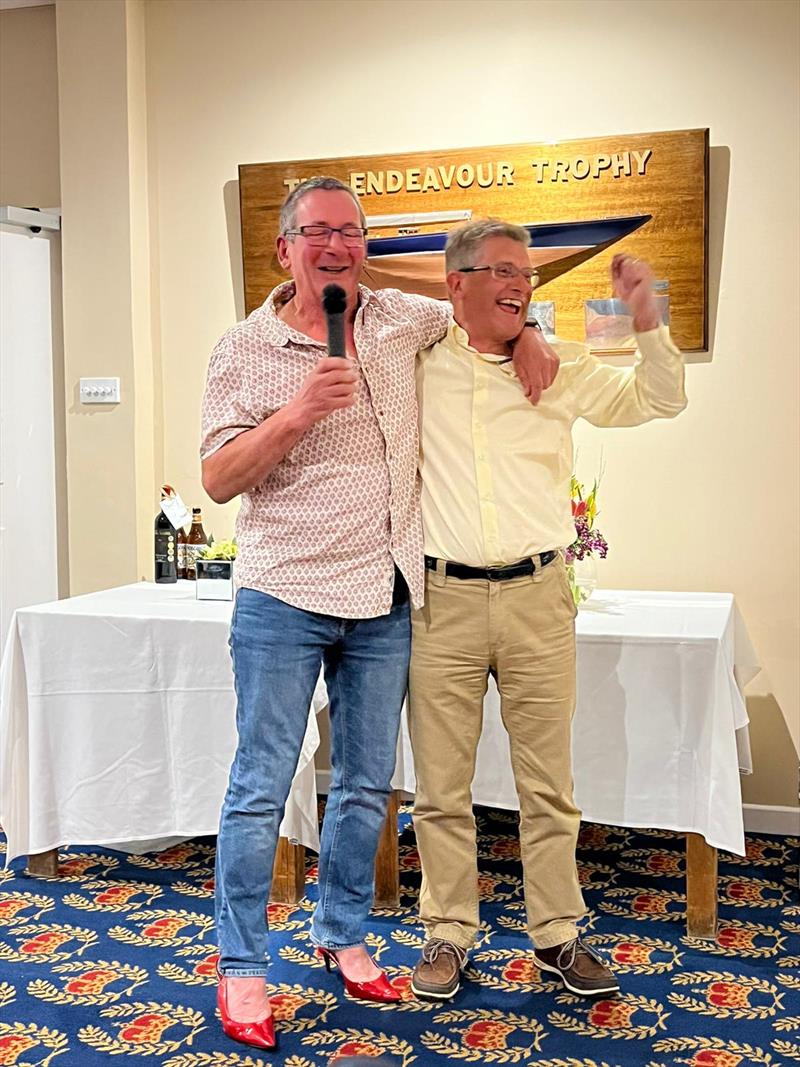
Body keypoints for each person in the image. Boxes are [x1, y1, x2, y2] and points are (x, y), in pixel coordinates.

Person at [200, 180, 557, 1049]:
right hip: (284, 594)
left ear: (365, 246)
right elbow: (215, 479)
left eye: (351, 233)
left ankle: (343, 935)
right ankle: (243, 965)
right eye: (317, 232)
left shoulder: (406, 319)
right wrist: (295, 412)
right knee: (261, 789)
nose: (336, 246)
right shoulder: (244, 348)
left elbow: (488, 302)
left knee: (367, 787)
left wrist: (536, 329)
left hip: (385, 597)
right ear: (285, 249)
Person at [408, 218, 687, 1002]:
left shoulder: (555, 366)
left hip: (537, 596)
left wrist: (647, 318)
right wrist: (517, 326)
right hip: (442, 599)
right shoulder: (418, 363)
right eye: (498, 270)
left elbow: (660, 399)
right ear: (455, 283)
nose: (518, 282)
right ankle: (448, 933)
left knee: (549, 784)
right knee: (440, 786)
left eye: (524, 274)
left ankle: (558, 935)